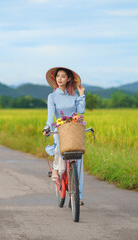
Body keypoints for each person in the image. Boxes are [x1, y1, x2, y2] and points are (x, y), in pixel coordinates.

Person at [43, 66, 86, 204]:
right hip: (60, 128)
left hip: (73, 129)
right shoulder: (52, 96)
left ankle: (78, 196)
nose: (60, 79)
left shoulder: (73, 96)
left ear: (68, 79)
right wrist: (47, 128)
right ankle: (57, 169)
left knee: (78, 161)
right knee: (60, 149)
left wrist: (81, 94)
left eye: (63, 76)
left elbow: (81, 111)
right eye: (58, 76)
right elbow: (50, 117)